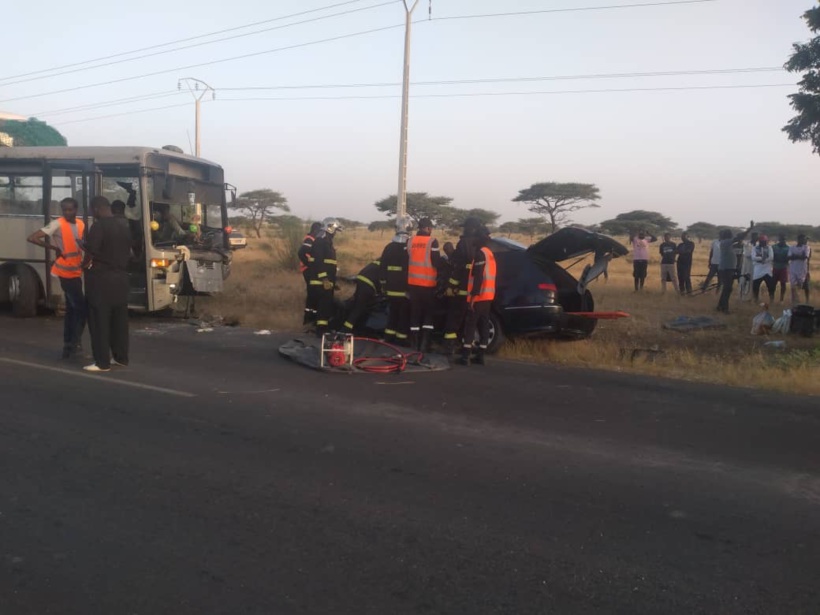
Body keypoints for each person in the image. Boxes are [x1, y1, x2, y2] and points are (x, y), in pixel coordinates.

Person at [26, 197, 87, 359]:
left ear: (76, 209)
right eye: (64, 209)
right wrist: (54, 248)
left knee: (72, 310)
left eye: (70, 209)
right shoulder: (56, 223)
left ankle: (68, 345)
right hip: (65, 273)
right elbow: (33, 238)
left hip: (76, 271)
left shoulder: (81, 224)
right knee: (81, 309)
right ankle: (75, 344)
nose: (67, 212)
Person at [82, 196, 132, 372]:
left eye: (91, 210)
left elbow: (92, 252)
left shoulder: (99, 226)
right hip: (121, 279)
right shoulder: (124, 225)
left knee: (99, 321)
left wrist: (83, 264)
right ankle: (121, 358)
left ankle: (102, 362)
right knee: (119, 321)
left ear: (96, 209)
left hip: (101, 280)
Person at [443, 218, 483, 354]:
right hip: (477, 293)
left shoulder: (463, 243)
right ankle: (465, 346)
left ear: (469, 228)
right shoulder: (484, 246)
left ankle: (449, 348)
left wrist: (450, 285)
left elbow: (457, 267)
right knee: (470, 322)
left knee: (453, 320)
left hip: (461, 290)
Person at [458, 229, 496, 367]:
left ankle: (465, 356)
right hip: (488, 296)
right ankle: (480, 356)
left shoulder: (480, 254)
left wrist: (473, 297)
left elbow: (478, 277)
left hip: (479, 297)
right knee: (484, 325)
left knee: (470, 325)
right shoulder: (490, 254)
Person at [406, 218, 441, 352]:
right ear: (428, 228)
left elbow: (407, 259)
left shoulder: (410, 241)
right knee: (428, 315)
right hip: (428, 284)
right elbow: (436, 262)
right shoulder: (432, 241)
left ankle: (414, 345)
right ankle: (424, 345)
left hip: (413, 284)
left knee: (414, 313)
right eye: (431, 228)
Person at [378, 218, 412, 345]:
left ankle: (389, 338)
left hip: (390, 288)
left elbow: (382, 267)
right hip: (404, 288)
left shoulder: (389, 247)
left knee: (392, 314)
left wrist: (383, 284)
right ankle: (401, 340)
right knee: (403, 315)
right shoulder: (410, 247)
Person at [308, 218, 343, 336]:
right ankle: (321, 330)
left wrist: (333, 281)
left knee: (326, 305)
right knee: (323, 306)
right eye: (335, 230)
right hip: (320, 281)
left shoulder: (326, 241)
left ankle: (322, 327)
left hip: (326, 281)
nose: (336, 233)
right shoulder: (321, 241)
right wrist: (324, 279)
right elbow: (318, 261)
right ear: (330, 228)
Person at [716, 221, 754, 314]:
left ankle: (720, 306)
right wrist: (750, 228)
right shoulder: (726, 242)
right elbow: (740, 237)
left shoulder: (725, 242)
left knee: (727, 288)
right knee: (727, 288)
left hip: (727, 268)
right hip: (727, 268)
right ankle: (724, 308)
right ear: (729, 235)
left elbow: (739, 237)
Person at [343, 260, 381, 333]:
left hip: (362, 278)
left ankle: (347, 327)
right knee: (359, 308)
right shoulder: (390, 262)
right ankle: (345, 330)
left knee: (357, 306)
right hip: (369, 283)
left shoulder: (383, 259)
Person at [298, 222, 323, 325]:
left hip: (310, 269)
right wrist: (309, 264)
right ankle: (309, 319)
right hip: (308, 270)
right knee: (312, 293)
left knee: (313, 293)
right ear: (315, 230)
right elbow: (301, 252)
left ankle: (311, 318)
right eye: (320, 231)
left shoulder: (313, 239)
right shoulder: (309, 239)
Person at [788, 234, 812, 305]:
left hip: (803, 270)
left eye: (804, 239)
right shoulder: (792, 247)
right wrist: (799, 256)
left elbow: (805, 257)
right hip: (793, 269)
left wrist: (794, 256)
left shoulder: (807, 247)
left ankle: (806, 301)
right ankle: (794, 301)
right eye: (802, 239)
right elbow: (789, 257)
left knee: (804, 285)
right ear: (798, 239)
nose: (804, 240)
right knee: (793, 286)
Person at [752, 235, 775, 303]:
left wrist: (761, 259)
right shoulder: (755, 248)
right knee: (755, 286)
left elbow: (771, 257)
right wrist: (763, 259)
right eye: (762, 241)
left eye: (764, 241)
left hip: (767, 270)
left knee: (771, 286)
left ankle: (771, 300)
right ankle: (756, 299)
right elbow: (753, 257)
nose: (763, 243)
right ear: (759, 241)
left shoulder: (769, 248)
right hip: (758, 270)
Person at [739, 232, 758, 302]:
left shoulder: (758, 245)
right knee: (743, 280)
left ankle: (750, 298)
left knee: (752, 282)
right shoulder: (747, 244)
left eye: (757, 237)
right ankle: (742, 297)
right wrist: (755, 256)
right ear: (752, 237)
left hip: (754, 266)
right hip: (746, 265)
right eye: (755, 236)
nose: (756, 238)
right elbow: (747, 254)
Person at [771, 234, 791, 303]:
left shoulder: (788, 247)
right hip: (775, 267)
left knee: (783, 284)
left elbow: (789, 258)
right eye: (782, 239)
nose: (783, 241)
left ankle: (781, 300)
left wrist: (778, 259)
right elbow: (772, 257)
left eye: (784, 240)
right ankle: (772, 298)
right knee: (773, 283)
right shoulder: (773, 247)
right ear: (779, 240)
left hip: (784, 267)